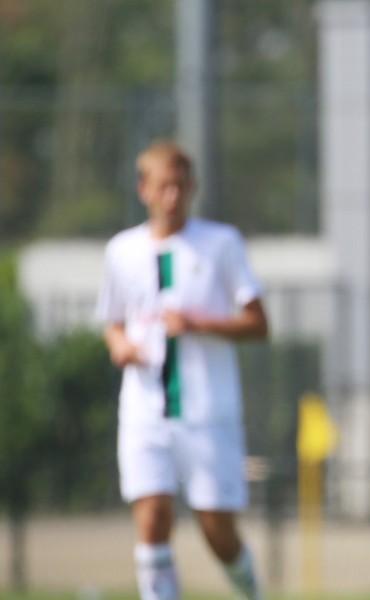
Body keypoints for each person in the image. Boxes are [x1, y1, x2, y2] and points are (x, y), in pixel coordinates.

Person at [96, 140, 268, 600]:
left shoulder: (220, 243)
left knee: (218, 531)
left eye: (179, 187)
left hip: (207, 413)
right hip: (143, 411)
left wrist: (198, 323)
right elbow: (113, 321)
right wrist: (120, 346)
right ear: (143, 190)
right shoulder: (121, 250)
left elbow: (258, 324)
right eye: (162, 187)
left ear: (191, 188)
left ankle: (253, 593)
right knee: (151, 520)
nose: (171, 196)